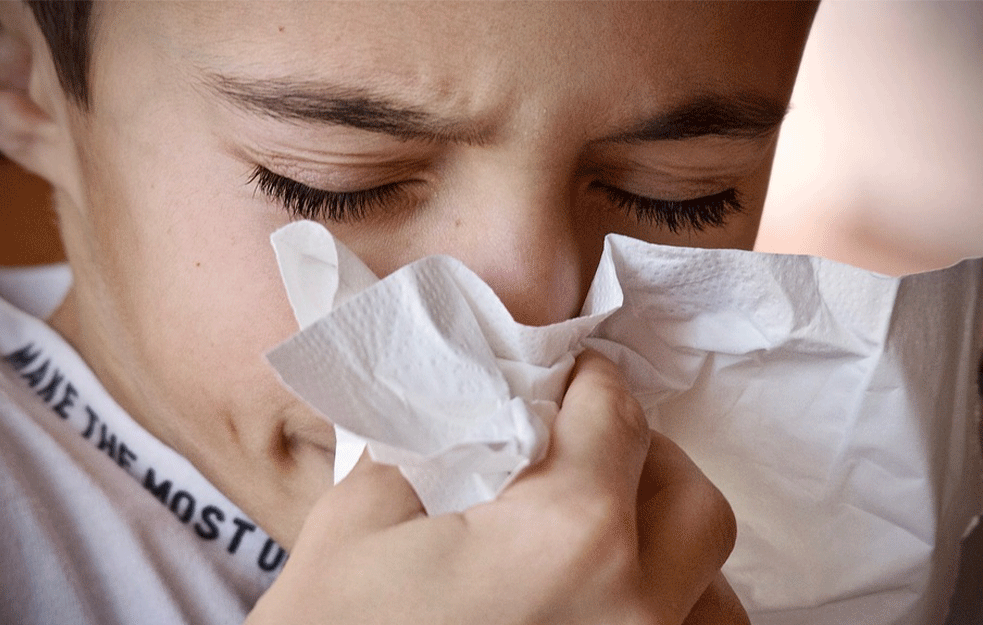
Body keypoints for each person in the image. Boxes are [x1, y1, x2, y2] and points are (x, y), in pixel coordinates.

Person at [0, 2, 819, 623]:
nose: (536, 322)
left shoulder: (808, 499)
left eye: (678, 197)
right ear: (19, 77)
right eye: (335, 187)